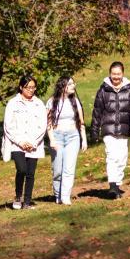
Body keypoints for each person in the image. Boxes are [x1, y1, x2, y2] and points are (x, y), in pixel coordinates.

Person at [91, 61, 130, 199]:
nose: (116, 77)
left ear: (123, 74)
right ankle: (112, 185)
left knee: (122, 158)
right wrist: (95, 130)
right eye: (113, 74)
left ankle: (117, 185)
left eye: (118, 74)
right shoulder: (103, 90)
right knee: (112, 156)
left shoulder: (129, 89)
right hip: (109, 129)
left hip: (124, 129)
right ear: (110, 74)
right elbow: (97, 111)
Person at [2, 75, 47, 210]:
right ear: (21, 87)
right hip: (17, 144)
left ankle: (27, 201)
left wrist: (33, 142)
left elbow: (42, 125)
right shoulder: (12, 103)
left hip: (34, 144)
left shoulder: (39, 104)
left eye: (33, 87)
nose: (31, 90)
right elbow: (8, 125)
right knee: (21, 169)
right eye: (28, 87)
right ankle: (18, 196)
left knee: (30, 173)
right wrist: (20, 141)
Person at [47, 76, 87, 205]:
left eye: (73, 84)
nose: (73, 86)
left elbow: (81, 122)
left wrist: (84, 139)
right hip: (57, 137)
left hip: (73, 137)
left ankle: (65, 196)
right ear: (62, 87)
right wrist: (52, 139)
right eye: (70, 84)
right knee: (57, 170)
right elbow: (48, 123)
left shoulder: (75, 101)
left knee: (69, 169)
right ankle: (58, 195)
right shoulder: (52, 102)